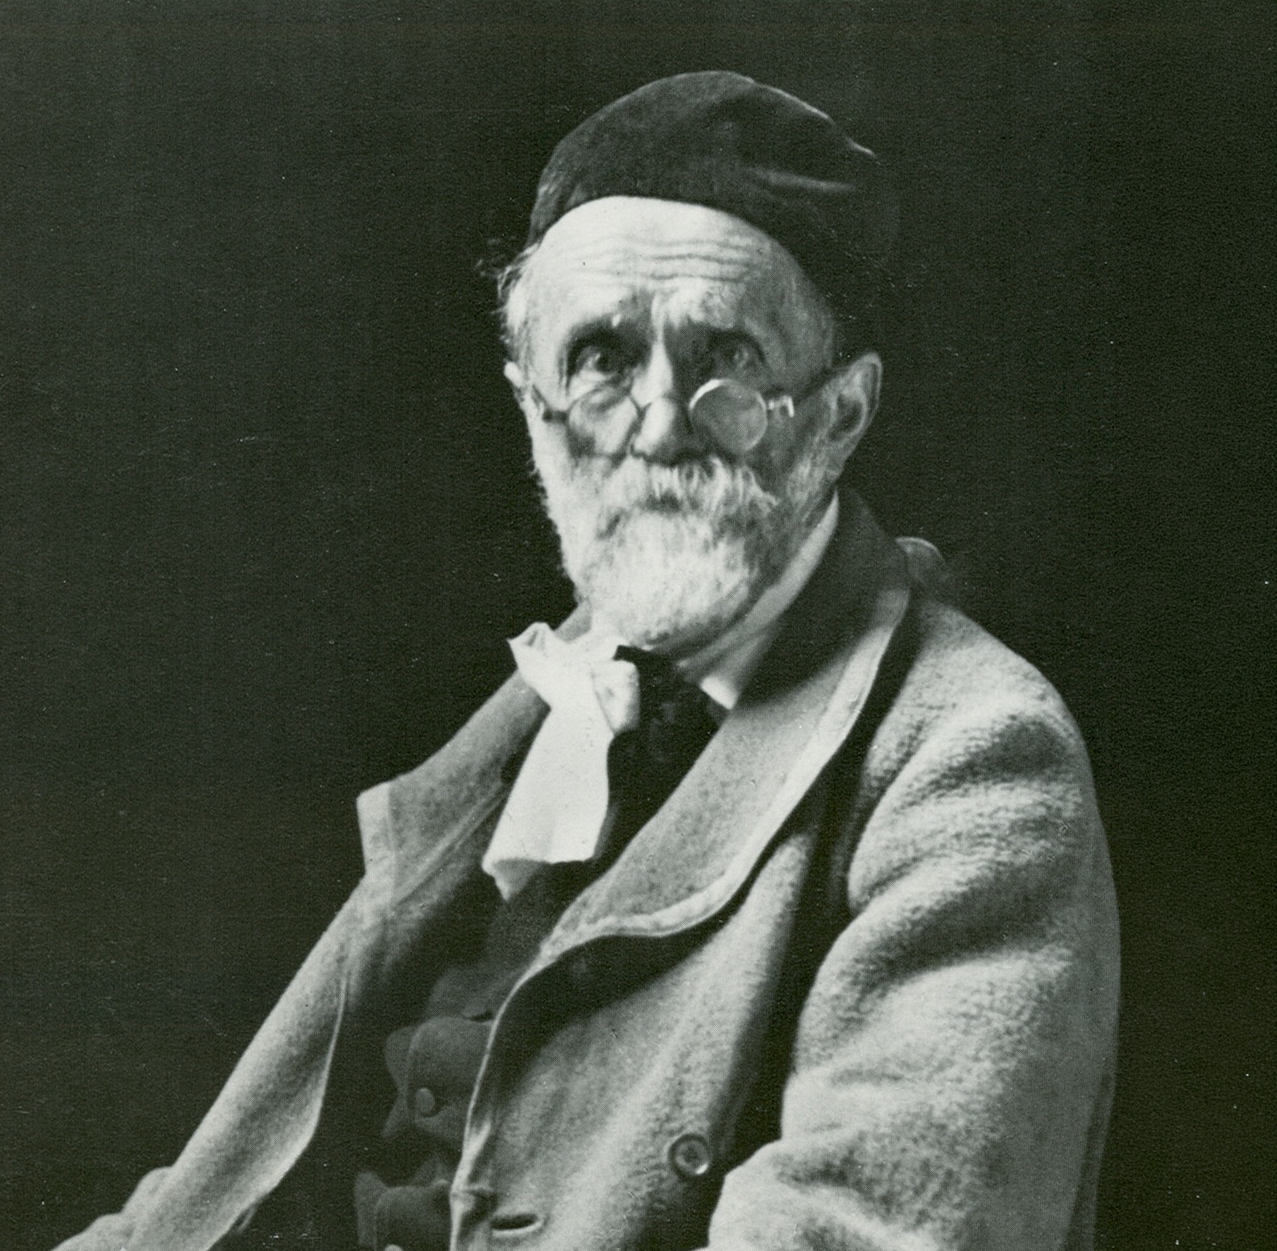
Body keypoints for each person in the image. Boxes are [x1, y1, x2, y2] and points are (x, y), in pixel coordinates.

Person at [57, 71, 1119, 1251]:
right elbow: (216, 1189)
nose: (656, 424)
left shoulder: (975, 756)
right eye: (603, 358)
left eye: (729, 358)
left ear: (838, 416)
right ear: (534, 407)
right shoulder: (556, 691)